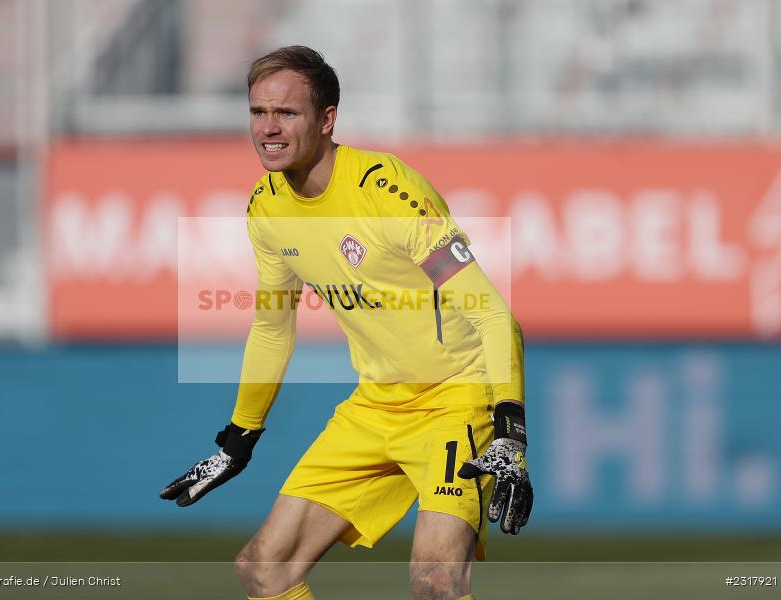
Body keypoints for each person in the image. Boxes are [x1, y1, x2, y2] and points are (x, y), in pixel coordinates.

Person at [161, 46, 532, 600]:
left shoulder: (388, 192)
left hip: (456, 399)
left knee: (435, 584)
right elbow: (272, 328)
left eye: (286, 113)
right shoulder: (265, 208)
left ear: (327, 119)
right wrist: (240, 436)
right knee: (266, 570)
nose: (268, 128)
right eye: (258, 112)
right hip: (375, 405)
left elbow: (493, 314)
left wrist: (509, 430)